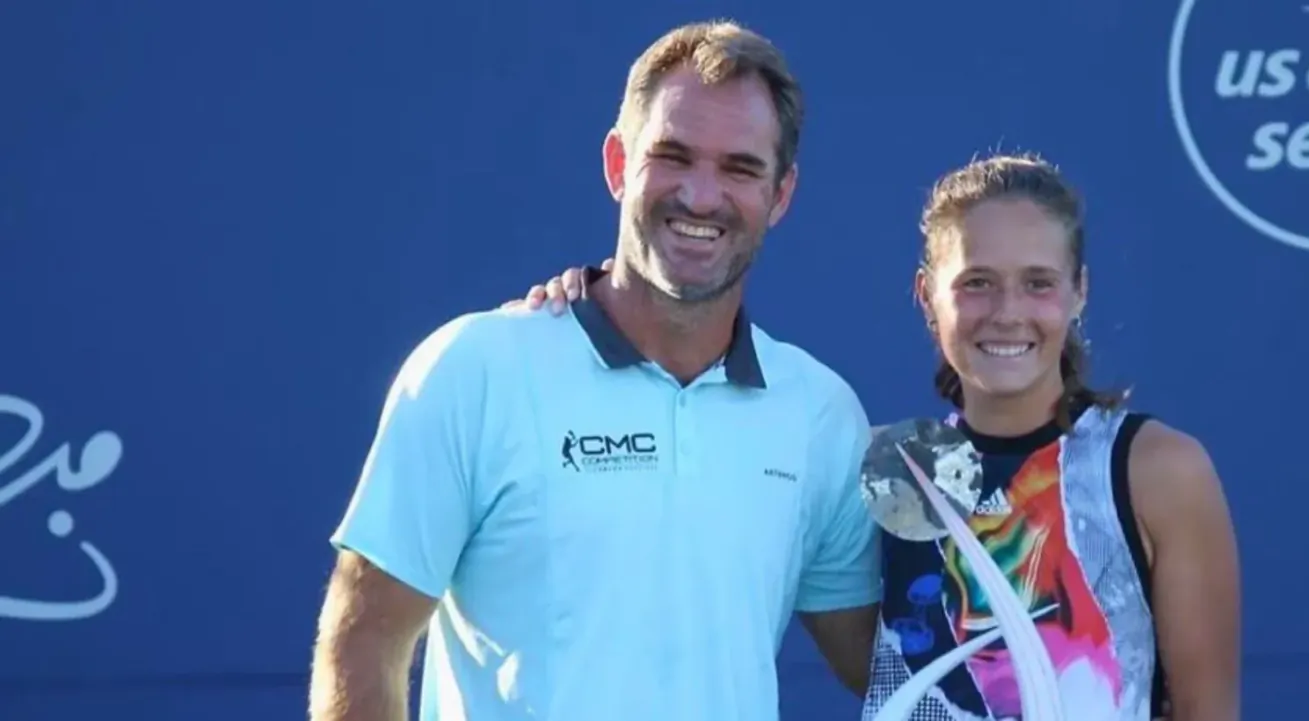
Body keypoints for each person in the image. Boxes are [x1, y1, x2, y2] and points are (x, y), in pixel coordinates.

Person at [518, 153, 1242, 720]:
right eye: (977, 282)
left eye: (1039, 282)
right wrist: (581, 299)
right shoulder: (878, 469)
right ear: (928, 294)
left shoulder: (1155, 471)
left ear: (1079, 290)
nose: (1008, 312)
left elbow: (1208, 708)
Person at [308, 20, 881, 721]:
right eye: (672, 156)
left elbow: (885, 665)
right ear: (618, 165)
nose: (701, 197)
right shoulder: (475, 369)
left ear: (781, 194)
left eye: (739, 168)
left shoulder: (820, 413)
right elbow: (366, 637)